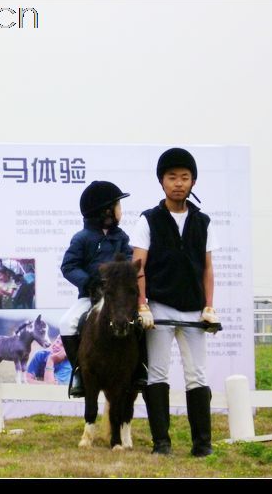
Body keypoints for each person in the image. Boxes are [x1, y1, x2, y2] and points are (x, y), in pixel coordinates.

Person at [130, 147, 219, 457]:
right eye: (172, 177)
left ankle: (202, 445)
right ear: (162, 182)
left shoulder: (203, 221)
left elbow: (207, 268)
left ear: (193, 182)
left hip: (194, 310)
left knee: (197, 375)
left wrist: (209, 305)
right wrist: (142, 305)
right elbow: (138, 265)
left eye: (185, 177)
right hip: (160, 308)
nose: (179, 183)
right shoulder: (149, 219)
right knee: (158, 372)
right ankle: (161, 444)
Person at [59, 180, 147, 398]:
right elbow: (69, 266)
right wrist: (89, 282)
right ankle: (79, 372)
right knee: (66, 323)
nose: (120, 210)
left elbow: (129, 259)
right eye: (118, 206)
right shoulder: (82, 238)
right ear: (106, 211)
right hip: (90, 297)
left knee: (141, 323)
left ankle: (140, 368)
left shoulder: (121, 237)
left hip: (119, 299)